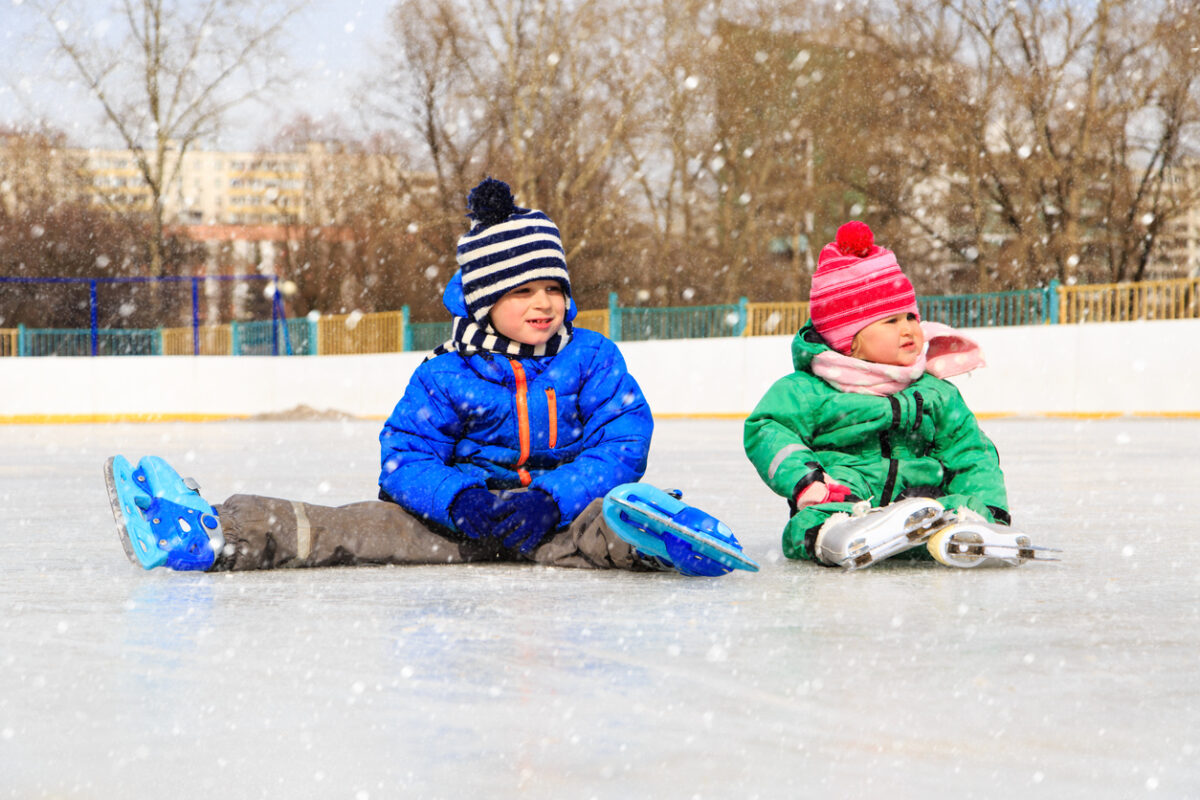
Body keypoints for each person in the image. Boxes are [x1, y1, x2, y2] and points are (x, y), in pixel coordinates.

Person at [105, 178, 757, 578]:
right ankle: (213, 532)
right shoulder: (448, 374)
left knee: (615, 519)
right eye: (523, 289)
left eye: (554, 287)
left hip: (556, 519)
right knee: (349, 526)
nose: (544, 303)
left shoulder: (589, 357)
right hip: (458, 526)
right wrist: (463, 502)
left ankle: (673, 540)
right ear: (482, 299)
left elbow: (622, 441)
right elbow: (404, 459)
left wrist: (550, 499)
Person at [743, 221, 1053, 569]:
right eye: (890, 321)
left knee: (957, 502)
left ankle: (964, 529)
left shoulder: (935, 392)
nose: (908, 328)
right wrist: (806, 479)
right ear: (851, 341)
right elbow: (767, 430)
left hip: (925, 499)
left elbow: (971, 452)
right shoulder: (808, 391)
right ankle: (839, 536)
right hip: (846, 496)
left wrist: (989, 506)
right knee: (813, 521)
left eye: (910, 316)